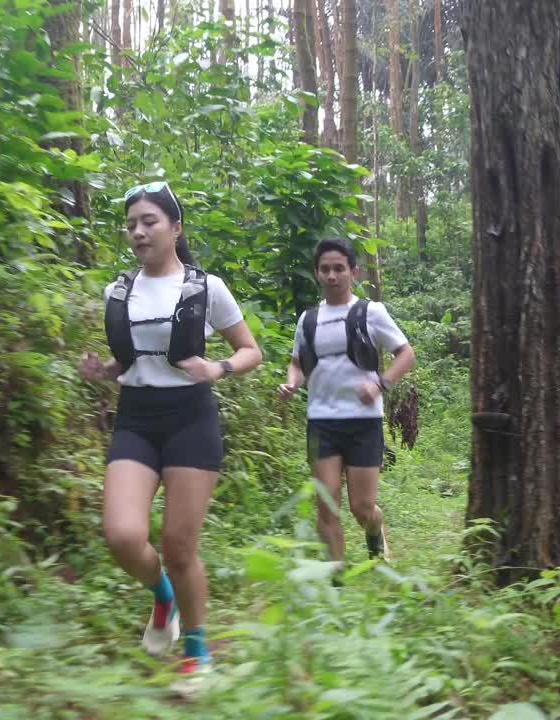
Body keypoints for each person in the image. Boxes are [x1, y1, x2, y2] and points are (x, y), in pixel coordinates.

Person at [78, 182, 262, 691]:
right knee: (121, 536)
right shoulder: (117, 291)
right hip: (136, 417)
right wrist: (104, 369)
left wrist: (218, 367)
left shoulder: (206, 287)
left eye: (150, 221)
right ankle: (163, 598)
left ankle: (198, 653)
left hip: (190, 419)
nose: (138, 231)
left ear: (175, 228)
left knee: (179, 546)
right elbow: (129, 361)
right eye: (132, 223)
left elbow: (251, 350)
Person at [278, 237, 415, 572]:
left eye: (339, 268)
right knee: (326, 505)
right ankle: (336, 580)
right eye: (325, 269)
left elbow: (405, 354)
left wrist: (380, 384)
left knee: (362, 506)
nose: (332, 276)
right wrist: (292, 381)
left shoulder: (371, 312)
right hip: (320, 421)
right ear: (317, 273)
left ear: (353, 271)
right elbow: (297, 362)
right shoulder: (307, 319)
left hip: (363, 421)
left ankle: (374, 536)